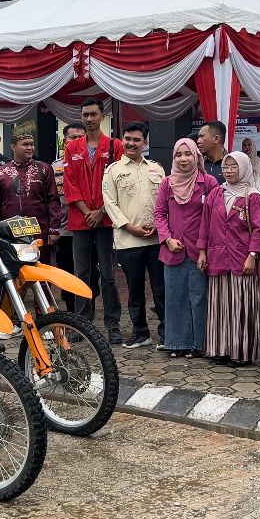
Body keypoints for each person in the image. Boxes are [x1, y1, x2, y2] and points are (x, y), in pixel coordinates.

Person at [64, 98, 125, 342]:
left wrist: (100, 210)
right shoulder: (72, 147)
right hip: (80, 221)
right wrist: (87, 210)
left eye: (93, 114)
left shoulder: (115, 146)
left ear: (102, 116)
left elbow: (118, 183)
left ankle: (113, 325)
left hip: (106, 220)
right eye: (85, 115)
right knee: (81, 273)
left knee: (108, 274)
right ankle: (82, 323)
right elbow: (70, 182)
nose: (89, 119)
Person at [197, 152, 260, 366]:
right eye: (226, 167)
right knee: (219, 306)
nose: (228, 171)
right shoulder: (216, 193)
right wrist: (202, 252)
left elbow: (259, 229)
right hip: (217, 257)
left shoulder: (252, 195)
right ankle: (221, 349)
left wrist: (252, 255)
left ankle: (241, 352)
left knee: (241, 306)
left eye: (234, 167)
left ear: (244, 168)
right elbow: (205, 225)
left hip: (241, 258)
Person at [103, 122, 167, 349]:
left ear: (145, 143)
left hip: (157, 240)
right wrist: (129, 227)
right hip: (128, 240)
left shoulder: (157, 169)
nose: (131, 143)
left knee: (161, 289)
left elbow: (164, 201)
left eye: (136, 140)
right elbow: (110, 204)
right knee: (134, 289)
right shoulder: (113, 171)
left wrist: (161, 226)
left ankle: (166, 334)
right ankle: (140, 333)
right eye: (127, 139)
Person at [155, 138, 217, 359]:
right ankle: (176, 343)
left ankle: (198, 344)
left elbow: (213, 217)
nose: (183, 159)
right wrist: (167, 239)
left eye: (188, 154)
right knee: (175, 297)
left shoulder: (208, 182)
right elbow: (159, 214)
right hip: (173, 250)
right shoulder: (167, 183)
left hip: (200, 250)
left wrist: (204, 248)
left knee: (199, 298)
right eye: (178, 154)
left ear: (196, 156)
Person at [0, 130, 60, 256]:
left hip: (39, 231)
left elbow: (53, 200)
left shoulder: (44, 168)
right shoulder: (1, 172)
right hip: (10, 232)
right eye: (25, 144)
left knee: (40, 270)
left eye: (32, 144)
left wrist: (53, 229)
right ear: (13, 147)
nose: (30, 148)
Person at [53, 123, 86, 313]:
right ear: (64, 141)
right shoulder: (54, 167)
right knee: (66, 272)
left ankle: (85, 309)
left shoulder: (88, 164)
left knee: (89, 272)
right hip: (64, 230)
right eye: (72, 137)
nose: (77, 141)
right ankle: (72, 309)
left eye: (80, 137)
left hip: (87, 227)